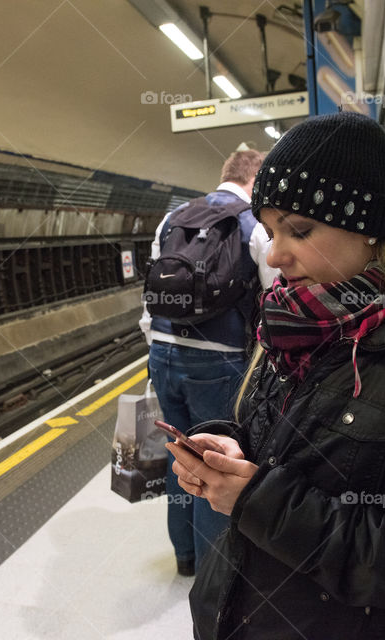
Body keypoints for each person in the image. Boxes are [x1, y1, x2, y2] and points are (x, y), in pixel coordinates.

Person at [167, 112, 385, 639]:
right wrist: (232, 445)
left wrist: (259, 500)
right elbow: (284, 443)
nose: (274, 252)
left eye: (300, 229)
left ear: (369, 230)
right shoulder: (289, 328)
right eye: (269, 230)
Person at [140, 149, 278, 577]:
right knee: (215, 465)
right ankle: (213, 572)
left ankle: (184, 558)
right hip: (219, 363)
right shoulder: (251, 224)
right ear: (253, 181)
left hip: (162, 353)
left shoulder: (172, 218)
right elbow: (276, 299)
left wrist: (157, 346)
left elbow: (150, 291)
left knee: (178, 457)